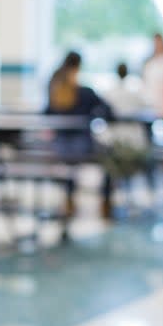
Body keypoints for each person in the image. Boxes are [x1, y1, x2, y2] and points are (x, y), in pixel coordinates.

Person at [45, 51, 115, 219]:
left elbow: (46, 114)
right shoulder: (85, 93)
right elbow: (108, 111)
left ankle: (69, 199)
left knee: (70, 164)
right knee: (110, 156)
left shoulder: (55, 91)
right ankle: (105, 202)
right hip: (81, 146)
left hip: (59, 146)